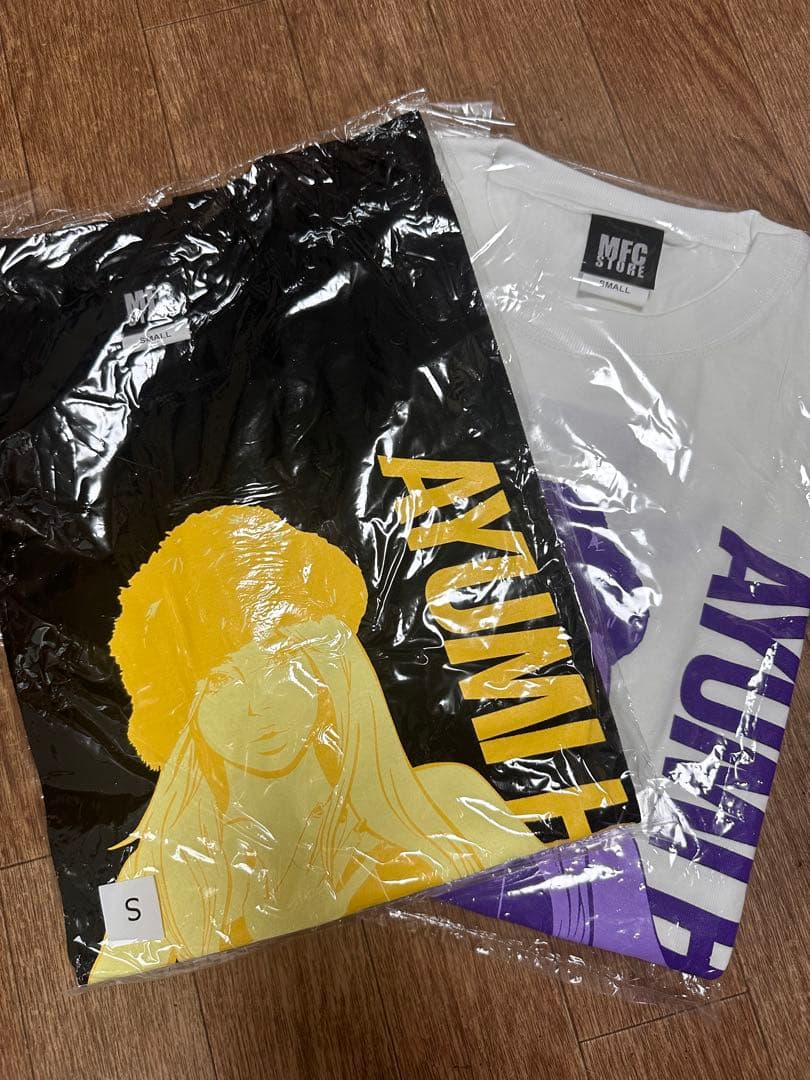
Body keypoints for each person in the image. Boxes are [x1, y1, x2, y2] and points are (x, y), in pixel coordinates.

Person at [89, 504, 541, 982]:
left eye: (278, 662)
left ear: (326, 668)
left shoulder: (452, 799)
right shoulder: (150, 871)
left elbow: (559, 905)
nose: (257, 705)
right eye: (221, 681)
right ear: (185, 710)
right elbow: (107, 988)